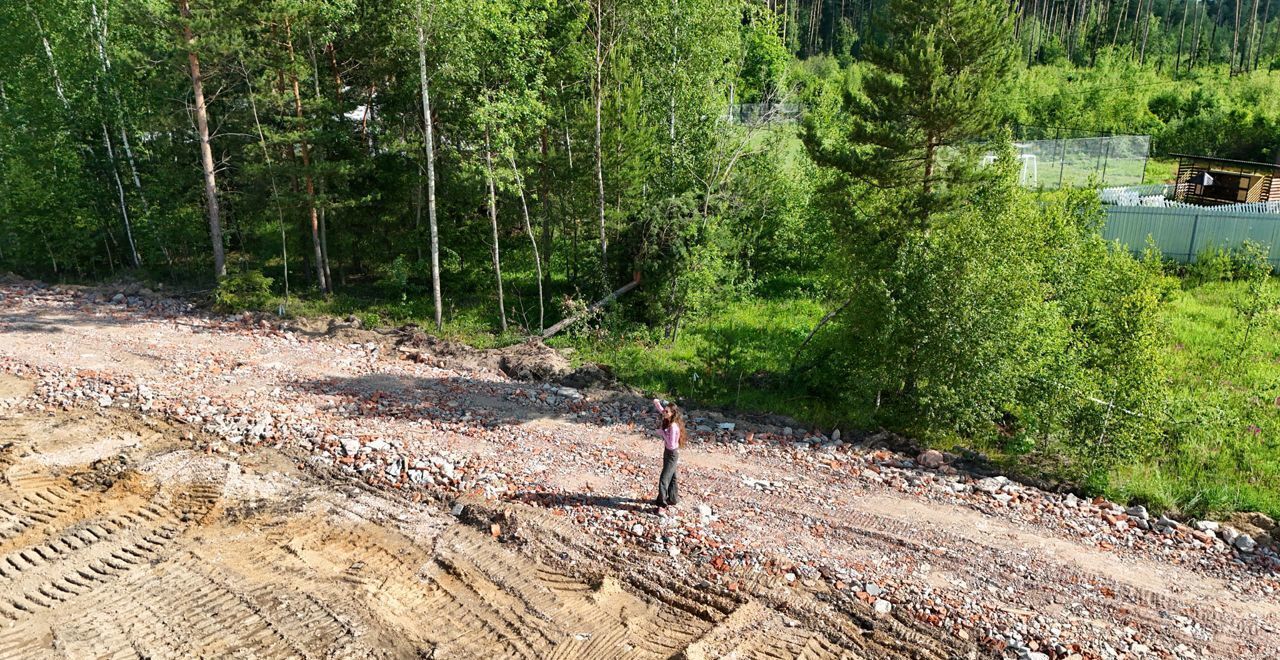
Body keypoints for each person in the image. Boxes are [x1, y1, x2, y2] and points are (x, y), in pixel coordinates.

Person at [652, 398, 684, 508]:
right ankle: (673, 498)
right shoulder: (668, 418)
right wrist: (657, 403)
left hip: (671, 453)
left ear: (672, 414)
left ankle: (661, 503)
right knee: (673, 477)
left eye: (667, 411)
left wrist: (662, 433)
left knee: (664, 479)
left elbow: (671, 443)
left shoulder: (673, 427)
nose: (664, 413)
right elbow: (661, 410)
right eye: (664, 411)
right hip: (668, 452)